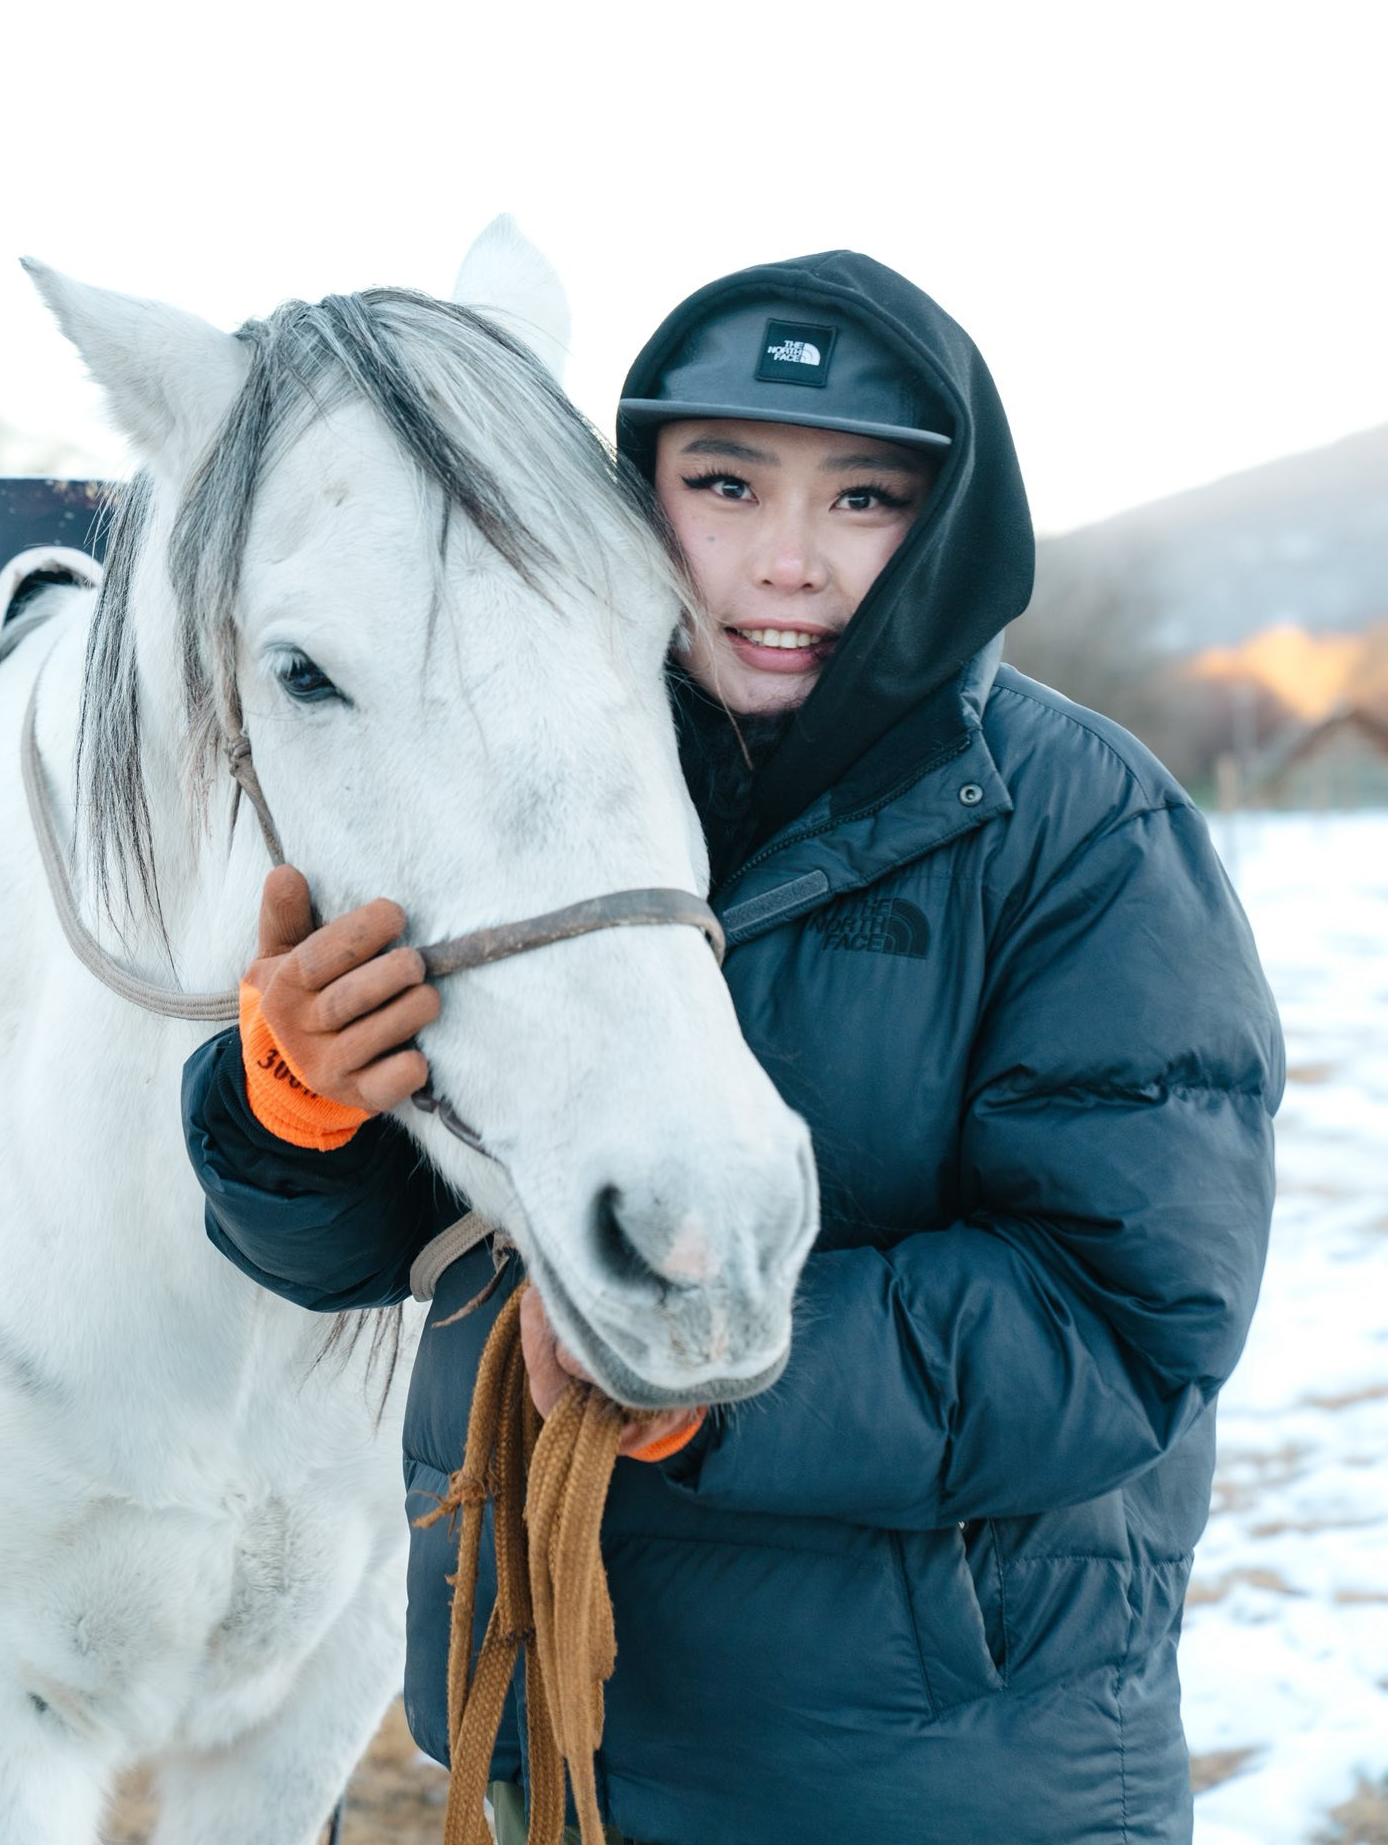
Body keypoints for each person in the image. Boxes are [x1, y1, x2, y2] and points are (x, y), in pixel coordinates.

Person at [183, 250, 1283, 1845]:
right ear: (631, 503)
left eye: (863, 501)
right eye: (724, 484)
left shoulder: (1082, 831)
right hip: (560, 1711)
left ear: (951, 525)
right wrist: (295, 1116)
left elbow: (1127, 1317)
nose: (786, 564)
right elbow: (417, 1240)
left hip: (939, 1774)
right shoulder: (546, 772)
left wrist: (723, 1380)